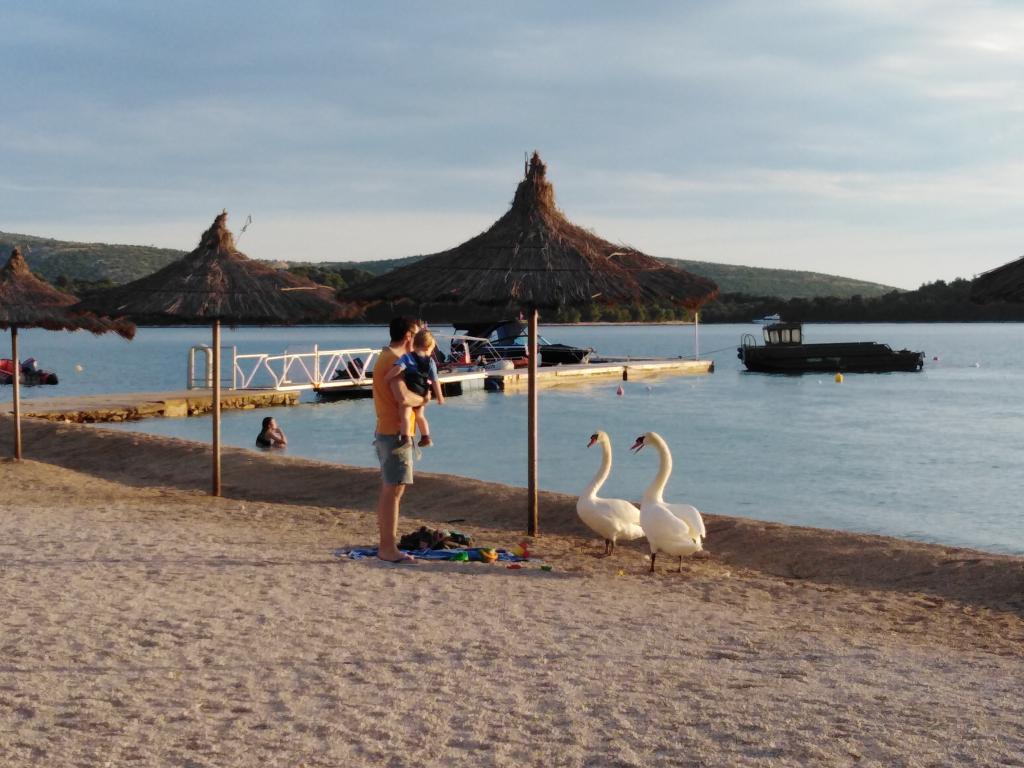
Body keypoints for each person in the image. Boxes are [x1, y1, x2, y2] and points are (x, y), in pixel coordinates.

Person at [371, 316, 426, 563]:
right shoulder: (394, 360)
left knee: (394, 488)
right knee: (392, 489)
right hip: (393, 432)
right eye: (417, 335)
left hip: (390, 429)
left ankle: (387, 545)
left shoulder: (388, 357)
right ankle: (387, 547)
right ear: (408, 336)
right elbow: (403, 397)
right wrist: (423, 399)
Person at [384, 328, 445, 448]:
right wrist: (440, 396)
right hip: (423, 392)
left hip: (411, 391)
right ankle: (426, 437)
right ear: (428, 347)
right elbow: (435, 380)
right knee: (420, 416)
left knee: (405, 415)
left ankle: (405, 438)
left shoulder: (408, 357)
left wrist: (387, 377)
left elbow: (398, 368)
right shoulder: (430, 362)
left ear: (415, 343)